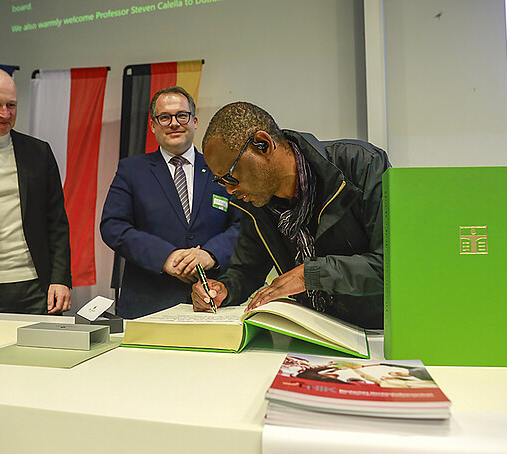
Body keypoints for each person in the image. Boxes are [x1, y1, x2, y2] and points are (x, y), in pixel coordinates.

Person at [191, 101, 391, 329]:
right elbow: (247, 270)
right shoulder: (257, 200)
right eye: (221, 181)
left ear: (264, 145)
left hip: (376, 333)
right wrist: (223, 290)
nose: (229, 190)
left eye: (230, 176)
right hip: (310, 331)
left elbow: (392, 265)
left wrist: (311, 274)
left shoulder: (362, 165)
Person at [101, 86, 240, 319]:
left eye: (182, 116)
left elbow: (244, 226)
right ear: (153, 125)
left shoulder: (222, 169)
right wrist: (165, 257)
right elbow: (113, 226)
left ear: (195, 121)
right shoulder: (132, 170)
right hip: (149, 302)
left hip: (213, 297)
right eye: (164, 117)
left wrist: (211, 254)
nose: (174, 123)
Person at [0, 67, 71, 314]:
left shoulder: (38, 152)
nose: (5, 113)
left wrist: (61, 279)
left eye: (11, 105)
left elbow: (56, 222)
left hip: (36, 288)